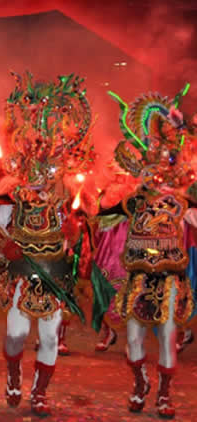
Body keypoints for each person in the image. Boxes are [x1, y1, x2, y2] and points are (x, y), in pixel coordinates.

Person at [0, 72, 94, 416]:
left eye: (47, 174)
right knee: (16, 335)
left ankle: (40, 392)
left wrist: (75, 237)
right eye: (35, 174)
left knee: (48, 339)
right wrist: (6, 248)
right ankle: (14, 373)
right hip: (22, 277)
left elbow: (74, 245)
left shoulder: (62, 208)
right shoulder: (10, 206)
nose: (40, 181)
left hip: (54, 278)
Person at [105, 86, 195, 419]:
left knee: (169, 334)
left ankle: (165, 395)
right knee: (133, 339)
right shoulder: (134, 200)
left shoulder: (183, 203)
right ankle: (140, 383)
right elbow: (103, 213)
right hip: (139, 275)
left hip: (170, 277)